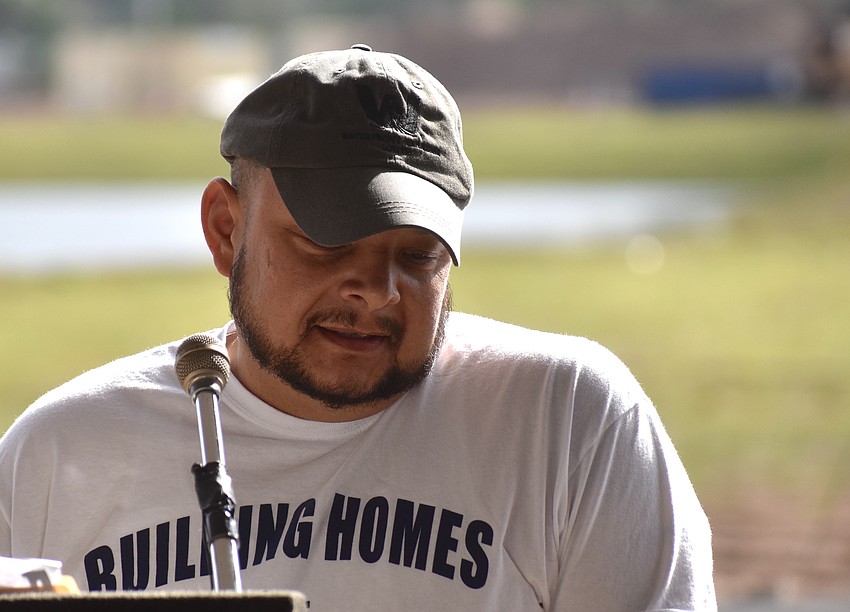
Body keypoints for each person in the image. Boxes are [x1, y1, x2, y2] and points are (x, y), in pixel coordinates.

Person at [0, 45, 717, 610]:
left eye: (416, 255)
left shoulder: (567, 422)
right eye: (326, 244)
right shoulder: (57, 457)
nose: (375, 293)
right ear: (226, 229)